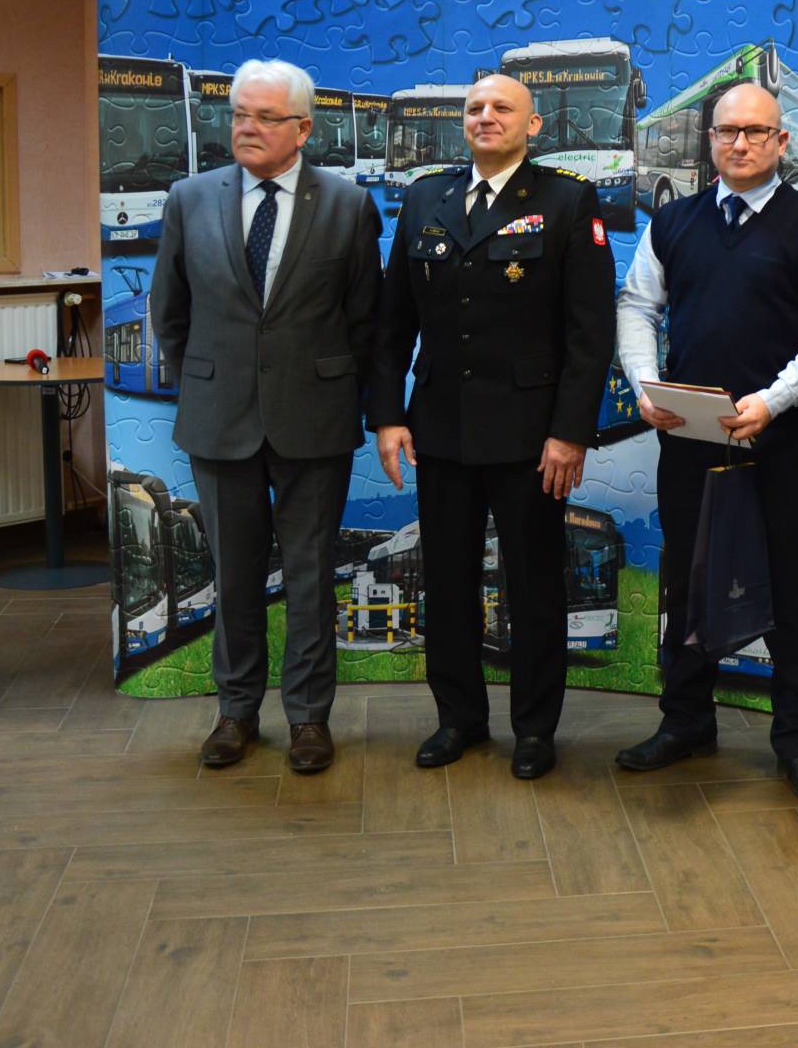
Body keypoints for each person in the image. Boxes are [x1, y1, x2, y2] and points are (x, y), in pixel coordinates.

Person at [613, 82, 798, 804]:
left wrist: (772, 402)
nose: (740, 143)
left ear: (783, 142)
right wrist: (647, 384)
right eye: (727, 131)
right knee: (687, 585)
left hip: (781, 446)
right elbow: (637, 306)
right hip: (688, 444)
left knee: (790, 590)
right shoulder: (672, 220)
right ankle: (686, 721)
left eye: (756, 131)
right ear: (710, 139)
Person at [368, 73, 615, 782]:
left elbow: (589, 332)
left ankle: (534, 729)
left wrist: (570, 433)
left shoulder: (567, 200)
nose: (485, 116)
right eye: (474, 108)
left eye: (502, 107)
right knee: (446, 581)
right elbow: (392, 321)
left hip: (531, 437)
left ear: (533, 125)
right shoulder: (426, 197)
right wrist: (388, 416)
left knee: (533, 585)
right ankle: (459, 718)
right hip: (440, 429)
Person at [151, 58, 382, 774]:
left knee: (310, 577)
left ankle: (309, 718)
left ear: (303, 129)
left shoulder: (347, 205)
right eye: (240, 115)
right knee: (235, 575)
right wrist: (210, 380)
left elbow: (365, 321)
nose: (247, 128)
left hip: (314, 421)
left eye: (265, 117)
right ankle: (236, 712)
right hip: (219, 418)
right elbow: (170, 313)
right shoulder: (189, 199)